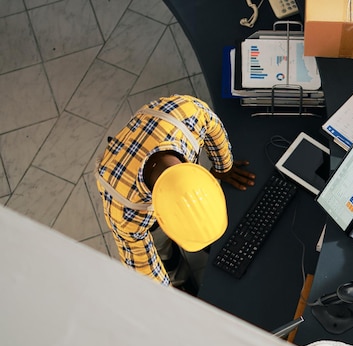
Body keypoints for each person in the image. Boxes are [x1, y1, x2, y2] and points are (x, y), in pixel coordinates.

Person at [95, 94, 256, 286]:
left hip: (153, 135)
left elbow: (213, 126)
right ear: (161, 217)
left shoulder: (187, 114)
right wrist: (169, 299)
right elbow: (144, 270)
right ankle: (179, 278)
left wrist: (224, 168)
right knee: (162, 250)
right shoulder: (124, 211)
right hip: (123, 179)